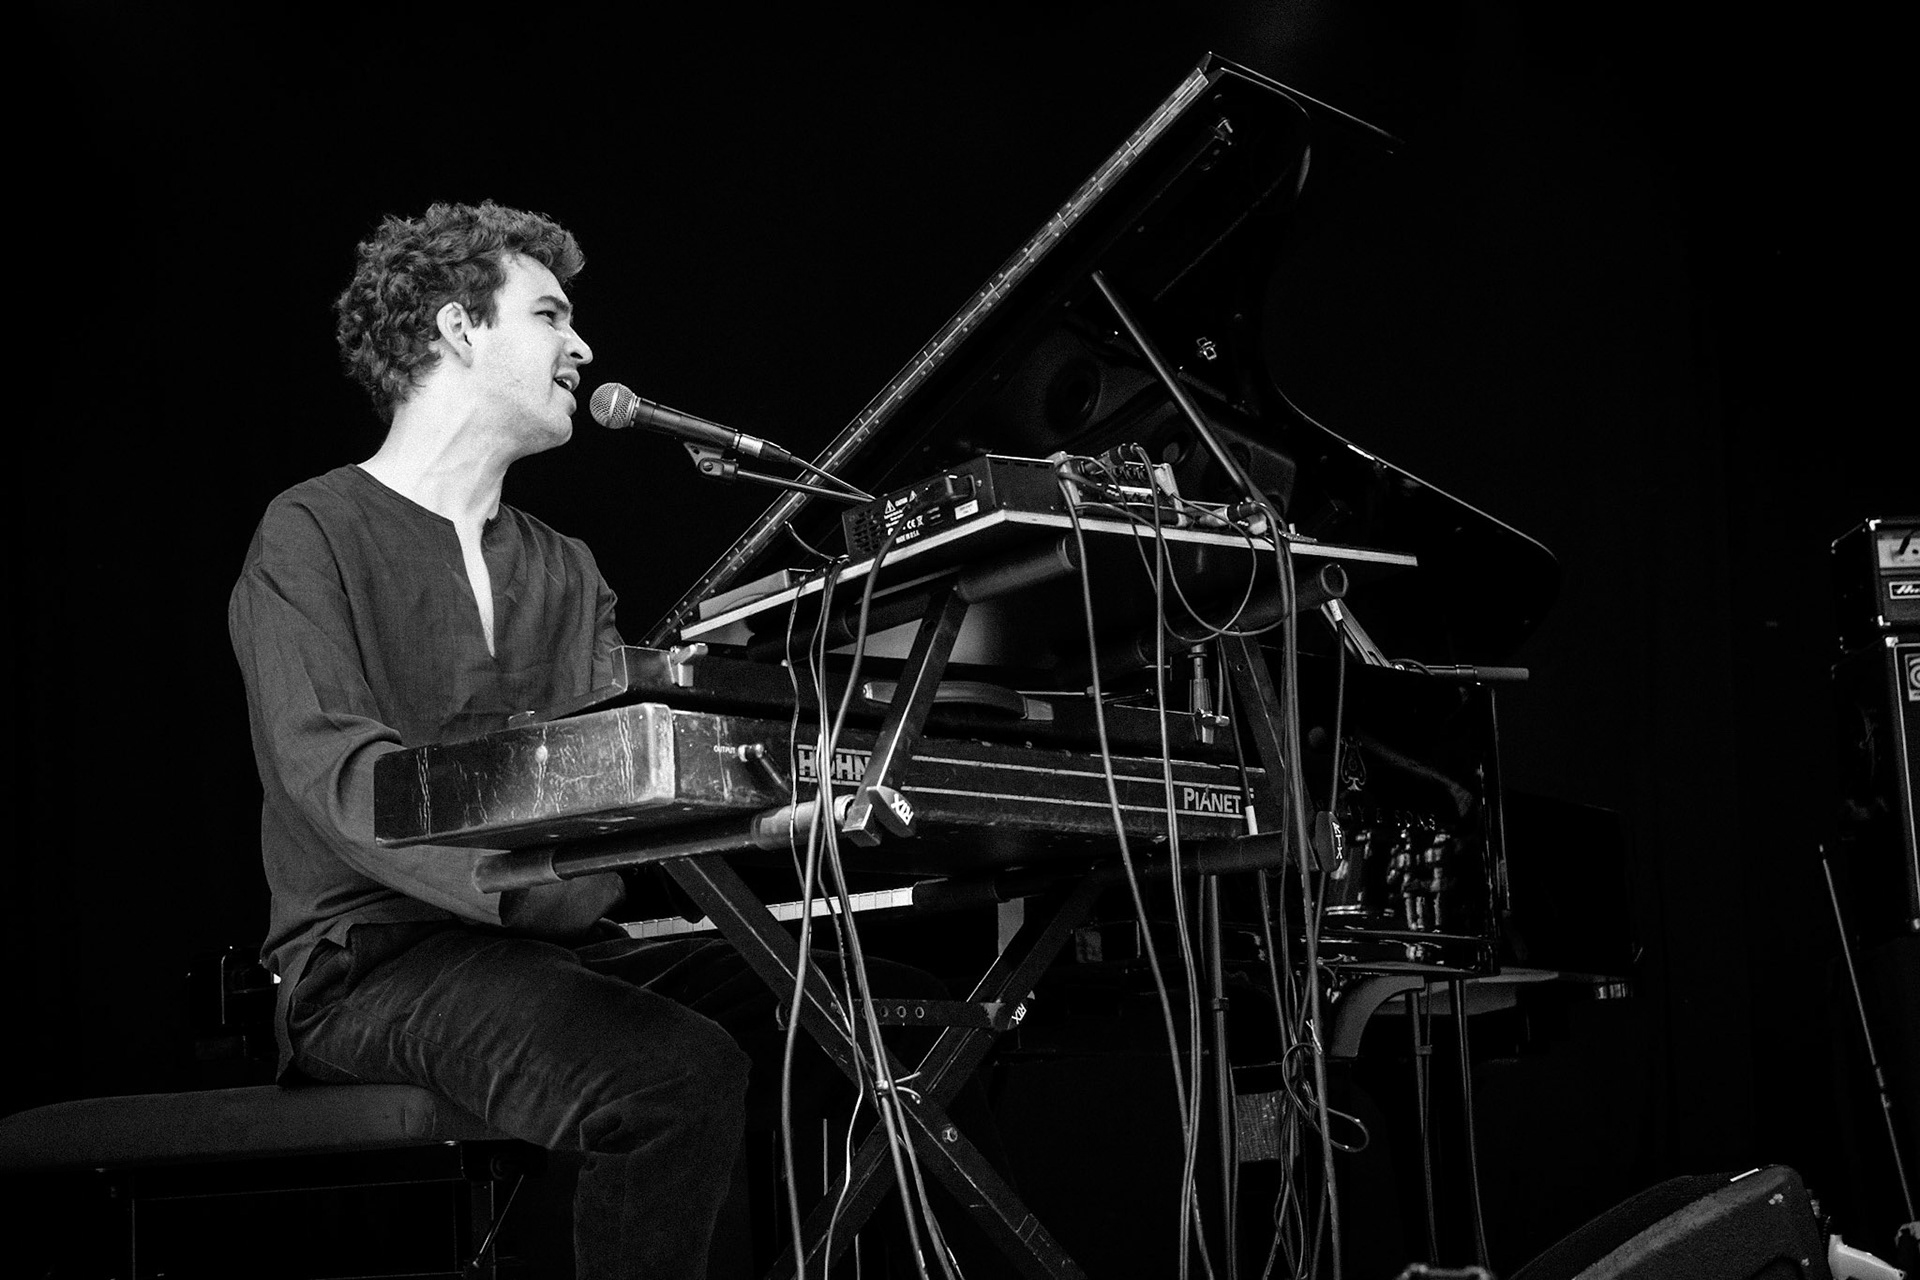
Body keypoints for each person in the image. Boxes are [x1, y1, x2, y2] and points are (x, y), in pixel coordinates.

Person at [228, 200, 772, 1276]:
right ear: (458, 327)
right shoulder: (309, 532)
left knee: (873, 1004)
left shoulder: (567, 565)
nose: (585, 347)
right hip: (374, 965)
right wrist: (541, 878)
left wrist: (750, 773)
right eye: (552, 313)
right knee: (668, 1076)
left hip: (552, 950)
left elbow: (610, 772)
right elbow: (335, 780)